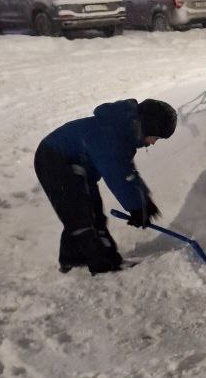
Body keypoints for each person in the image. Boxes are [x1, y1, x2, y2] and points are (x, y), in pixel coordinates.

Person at [34, 99, 177, 275]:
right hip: (54, 159)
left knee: (92, 213)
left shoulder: (122, 132)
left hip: (73, 165)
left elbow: (127, 173)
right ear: (149, 126)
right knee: (82, 218)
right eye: (156, 137)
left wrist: (144, 201)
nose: (153, 142)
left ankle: (74, 259)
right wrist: (136, 206)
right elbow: (118, 176)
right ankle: (104, 266)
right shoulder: (112, 134)